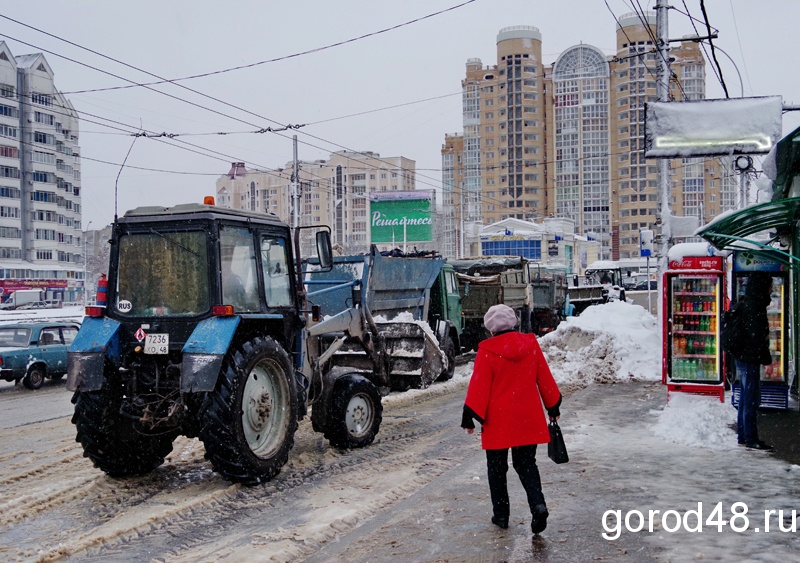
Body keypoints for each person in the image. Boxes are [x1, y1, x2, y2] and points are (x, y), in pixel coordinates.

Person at [461, 304, 562, 535]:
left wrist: (469, 416)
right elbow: (544, 378)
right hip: (527, 418)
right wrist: (553, 405)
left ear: (491, 329)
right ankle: (538, 504)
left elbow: (479, 386)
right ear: (514, 323)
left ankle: (501, 515)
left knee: (496, 469)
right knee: (526, 464)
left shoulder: (487, 351)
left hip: (498, 422)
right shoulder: (531, 345)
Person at [731, 271, 774, 451]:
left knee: (746, 398)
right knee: (751, 399)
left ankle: (743, 435)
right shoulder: (755, 306)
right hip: (749, 358)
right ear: (763, 287)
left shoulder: (746, 302)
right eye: (769, 285)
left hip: (742, 356)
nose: (771, 289)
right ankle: (750, 438)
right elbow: (757, 337)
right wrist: (767, 360)